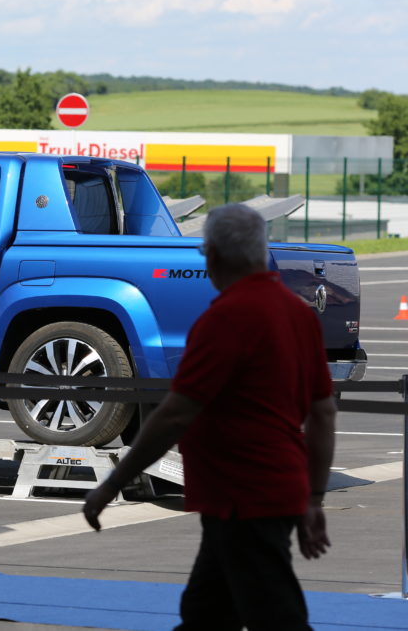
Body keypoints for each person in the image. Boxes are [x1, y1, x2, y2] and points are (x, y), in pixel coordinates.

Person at [82, 203, 336, 631]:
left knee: (273, 617)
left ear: (214, 256)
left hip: (241, 494)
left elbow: (176, 413)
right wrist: (313, 497)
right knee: (207, 612)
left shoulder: (224, 319)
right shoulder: (298, 314)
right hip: (271, 488)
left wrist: (112, 484)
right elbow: (323, 413)